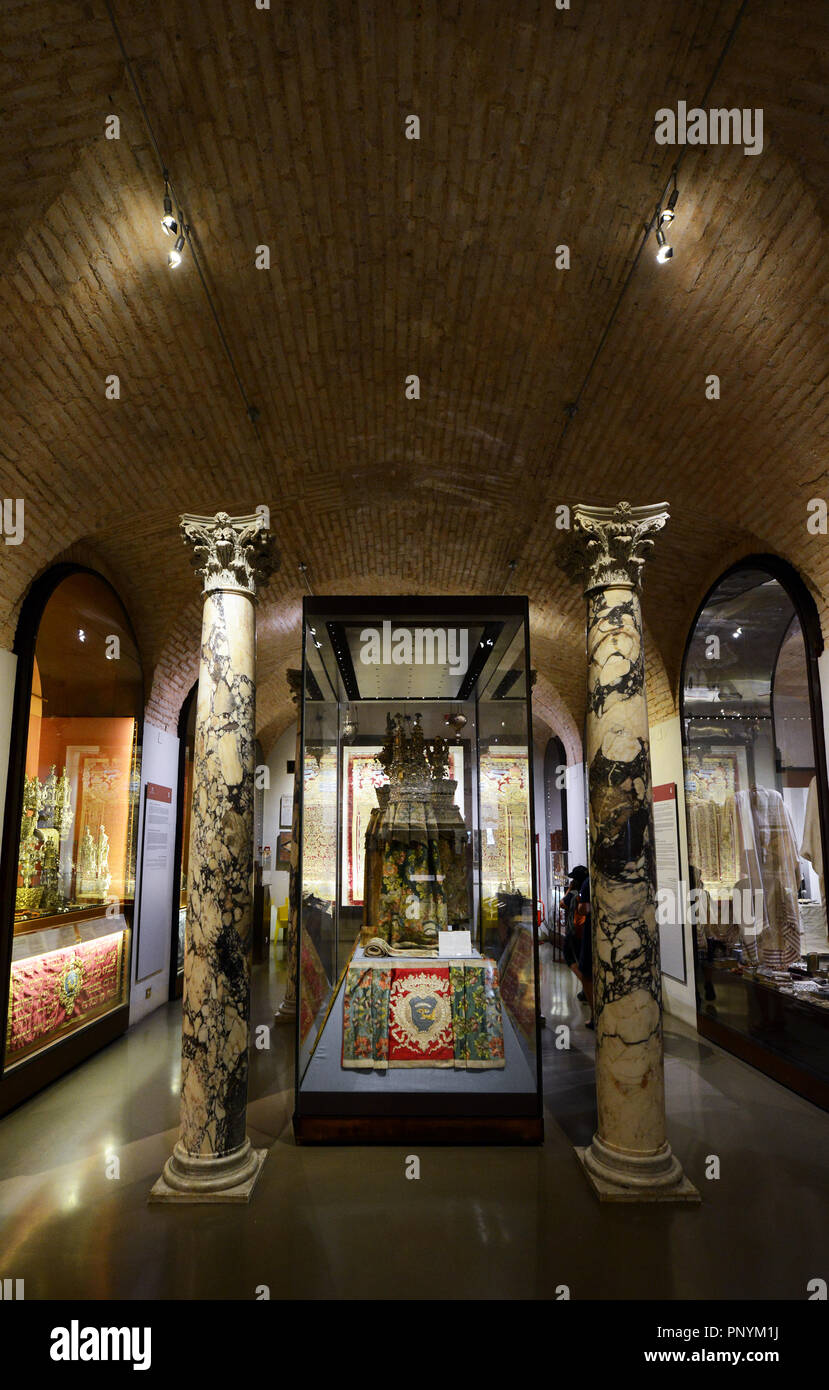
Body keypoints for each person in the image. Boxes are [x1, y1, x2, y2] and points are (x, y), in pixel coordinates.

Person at [561, 865, 589, 1003]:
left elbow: (562, 903)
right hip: (583, 932)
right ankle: (586, 989)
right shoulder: (586, 891)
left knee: (570, 958)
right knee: (581, 961)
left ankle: (587, 987)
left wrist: (569, 889)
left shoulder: (574, 894)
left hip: (574, 932)